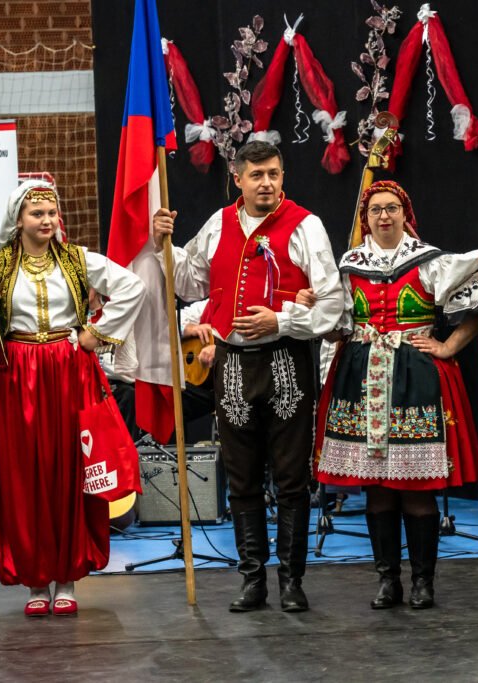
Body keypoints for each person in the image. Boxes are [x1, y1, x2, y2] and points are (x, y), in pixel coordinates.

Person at [151, 141, 342, 613]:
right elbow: (189, 282)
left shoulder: (306, 225)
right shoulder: (218, 224)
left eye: (274, 174)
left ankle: (292, 582)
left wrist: (282, 320)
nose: (267, 183)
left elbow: (333, 304)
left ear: (283, 176)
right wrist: (162, 246)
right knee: (242, 479)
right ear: (237, 178)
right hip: (232, 363)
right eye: (257, 175)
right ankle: (252, 580)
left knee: (292, 479)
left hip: (285, 360)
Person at [0, 180, 144, 616]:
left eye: (51, 213)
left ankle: (67, 577)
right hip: (17, 375)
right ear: (18, 220)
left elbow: (132, 287)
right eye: (37, 213)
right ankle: (34, 581)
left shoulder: (77, 259)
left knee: (69, 469)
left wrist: (95, 334)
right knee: (24, 473)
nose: (47, 220)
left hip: (69, 369)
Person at [314, 181, 478, 610]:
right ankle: (388, 580)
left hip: (416, 381)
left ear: (405, 215)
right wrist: (320, 316)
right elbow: (336, 327)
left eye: (391, 208)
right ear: (365, 218)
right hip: (359, 381)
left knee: (417, 488)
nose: (384, 216)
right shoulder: (350, 265)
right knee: (376, 489)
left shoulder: (430, 262)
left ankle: (423, 582)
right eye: (375, 210)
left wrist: (447, 346)